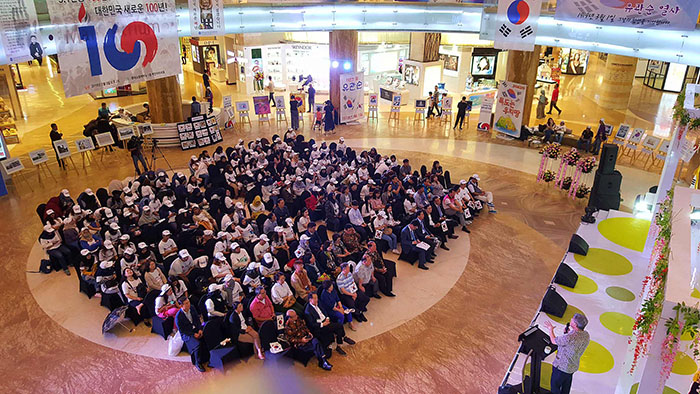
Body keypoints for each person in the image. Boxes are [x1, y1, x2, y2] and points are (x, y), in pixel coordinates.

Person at [543, 314, 590, 394]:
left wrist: (550, 329)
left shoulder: (570, 337)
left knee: (555, 387)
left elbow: (554, 341)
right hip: (572, 367)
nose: (571, 319)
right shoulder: (586, 335)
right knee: (566, 387)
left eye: (572, 319)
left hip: (561, 367)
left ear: (575, 324)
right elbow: (572, 341)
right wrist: (567, 333)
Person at [175, 299, 209, 372]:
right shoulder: (178, 317)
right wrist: (193, 334)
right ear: (181, 306)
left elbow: (197, 319)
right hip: (187, 333)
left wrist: (199, 329)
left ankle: (207, 357)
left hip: (195, 328)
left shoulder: (192, 308)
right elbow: (183, 331)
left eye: (189, 302)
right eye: (186, 303)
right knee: (197, 344)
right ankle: (198, 362)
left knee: (206, 335)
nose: (189, 304)